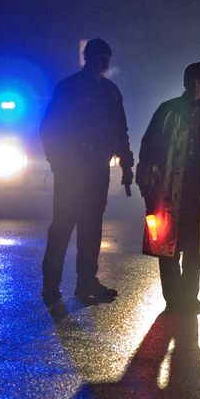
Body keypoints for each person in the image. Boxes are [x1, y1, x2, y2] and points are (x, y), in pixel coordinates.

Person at [136, 62, 200, 314]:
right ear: (185, 83)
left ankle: (189, 297)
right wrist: (146, 180)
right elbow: (148, 148)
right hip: (169, 192)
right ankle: (173, 299)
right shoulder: (167, 111)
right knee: (168, 249)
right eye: (191, 81)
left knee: (195, 250)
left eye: (199, 81)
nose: (195, 85)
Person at [39, 38, 134, 306]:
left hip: (96, 170)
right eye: (101, 56)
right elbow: (49, 129)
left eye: (107, 57)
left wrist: (127, 163)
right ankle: (51, 286)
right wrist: (57, 162)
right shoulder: (69, 88)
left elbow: (120, 131)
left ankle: (85, 284)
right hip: (71, 170)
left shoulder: (110, 92)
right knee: (63, 227)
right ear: (89, 57)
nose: (105, 62)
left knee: (91, 228)